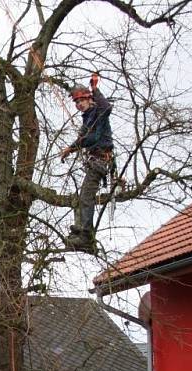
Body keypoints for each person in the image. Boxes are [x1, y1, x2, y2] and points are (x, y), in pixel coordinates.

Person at [60, 73, 114, 253]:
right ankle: (83, 230)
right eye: (76, 103)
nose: (78, 105)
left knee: (86, 197)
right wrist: (70, 149)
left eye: (81, 101)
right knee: (84, 196)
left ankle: (86, 235)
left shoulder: (99, 111)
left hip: (100, 160)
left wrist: (95, 89)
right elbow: (83, 138)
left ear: (89, 99)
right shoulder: (87, 118)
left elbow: (106, 108)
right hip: (94, 161)